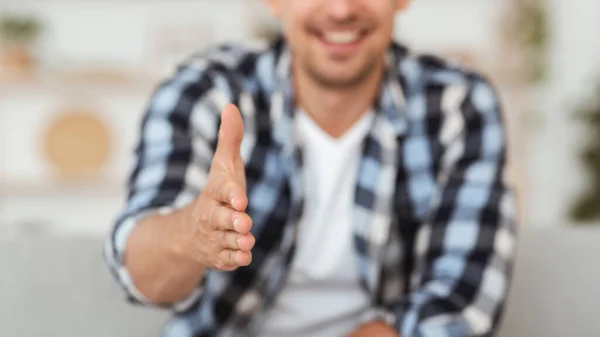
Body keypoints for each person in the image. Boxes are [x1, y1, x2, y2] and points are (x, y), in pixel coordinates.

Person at [104, 0, 517, 336]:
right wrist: (193, 234)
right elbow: (141, 272)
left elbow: (455, 303)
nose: (340, 10)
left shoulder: (458, 105)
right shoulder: (205, 89)